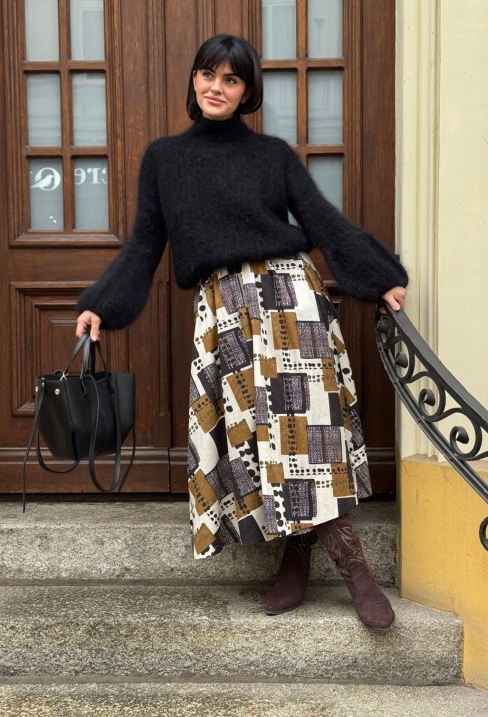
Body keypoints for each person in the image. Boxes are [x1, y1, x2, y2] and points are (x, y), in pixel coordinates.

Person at [76, 34, 408, 632]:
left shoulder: (273, 155)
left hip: (291, 298)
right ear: (194, 80)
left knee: (306, 435)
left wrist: (380, 278)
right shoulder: (164, 159)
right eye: (209, 74)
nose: (217, 87)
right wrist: (102, 304)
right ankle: (296, 556)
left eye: (231, 79)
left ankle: (356, 572)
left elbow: (322, 221)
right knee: (261, 441)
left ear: (246, 91)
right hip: (224, 309)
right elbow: (145, 244)